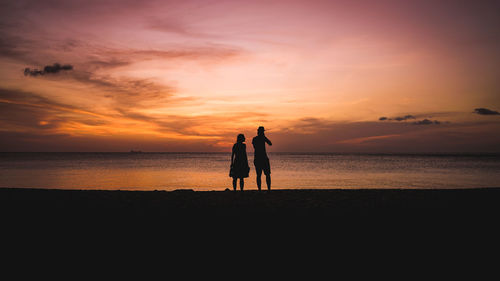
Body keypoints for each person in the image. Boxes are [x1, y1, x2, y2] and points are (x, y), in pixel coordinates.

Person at [252, 126, 272, 191]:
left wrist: (264, 138)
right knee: (262, 175)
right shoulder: (256, 139)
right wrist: (264, 138)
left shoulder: (257, 138)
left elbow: (270, 144)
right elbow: (270, 143)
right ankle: (263, 189)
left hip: (260, 158)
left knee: (263, 175)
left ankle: (263, 189)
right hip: (261, 158)